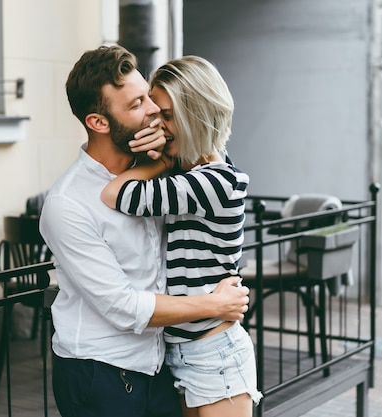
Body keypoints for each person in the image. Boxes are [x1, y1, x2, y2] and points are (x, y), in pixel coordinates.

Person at [39, 45, 250, 417]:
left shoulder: (164, 174)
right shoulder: (67, 205)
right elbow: (123, 306)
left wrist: (166, 159)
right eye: (138, 104)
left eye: (149, 99)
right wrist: (215, 305)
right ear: (99, 123)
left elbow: (217, 174)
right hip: (102, 375)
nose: (153, 110)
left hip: (163, 365)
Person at [101, 56, 262, 417]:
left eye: (168, 116)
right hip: (186, 351)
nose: (159, 124)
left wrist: (156, 164)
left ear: (197, 115)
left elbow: (116, 194)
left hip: (213, 354)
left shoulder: (211, 182)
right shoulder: (195, 175)